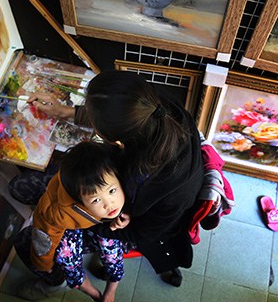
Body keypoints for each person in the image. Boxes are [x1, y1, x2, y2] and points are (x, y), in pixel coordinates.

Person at [28, 70, 203, 287]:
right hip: (129, 208)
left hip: (138, 228)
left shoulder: (166, 188)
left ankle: (53, 279)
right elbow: (118, 116)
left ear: (117, 142)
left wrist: (97, 224)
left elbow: (142, 233)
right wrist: (65, 112)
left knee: (36, 233)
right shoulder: (154, 106)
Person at [24, 140, 131, 302]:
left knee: (112, 247)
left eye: (111, 191)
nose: (109, 204)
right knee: (65, 257)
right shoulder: (59, 211)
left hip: (101, 223)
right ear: (79, 200)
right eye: (95, 200)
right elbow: (44, 236)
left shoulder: (120, 170)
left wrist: (128, 213)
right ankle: (93, 293)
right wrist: (43, 264)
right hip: (71, 225)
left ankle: (111, 290)